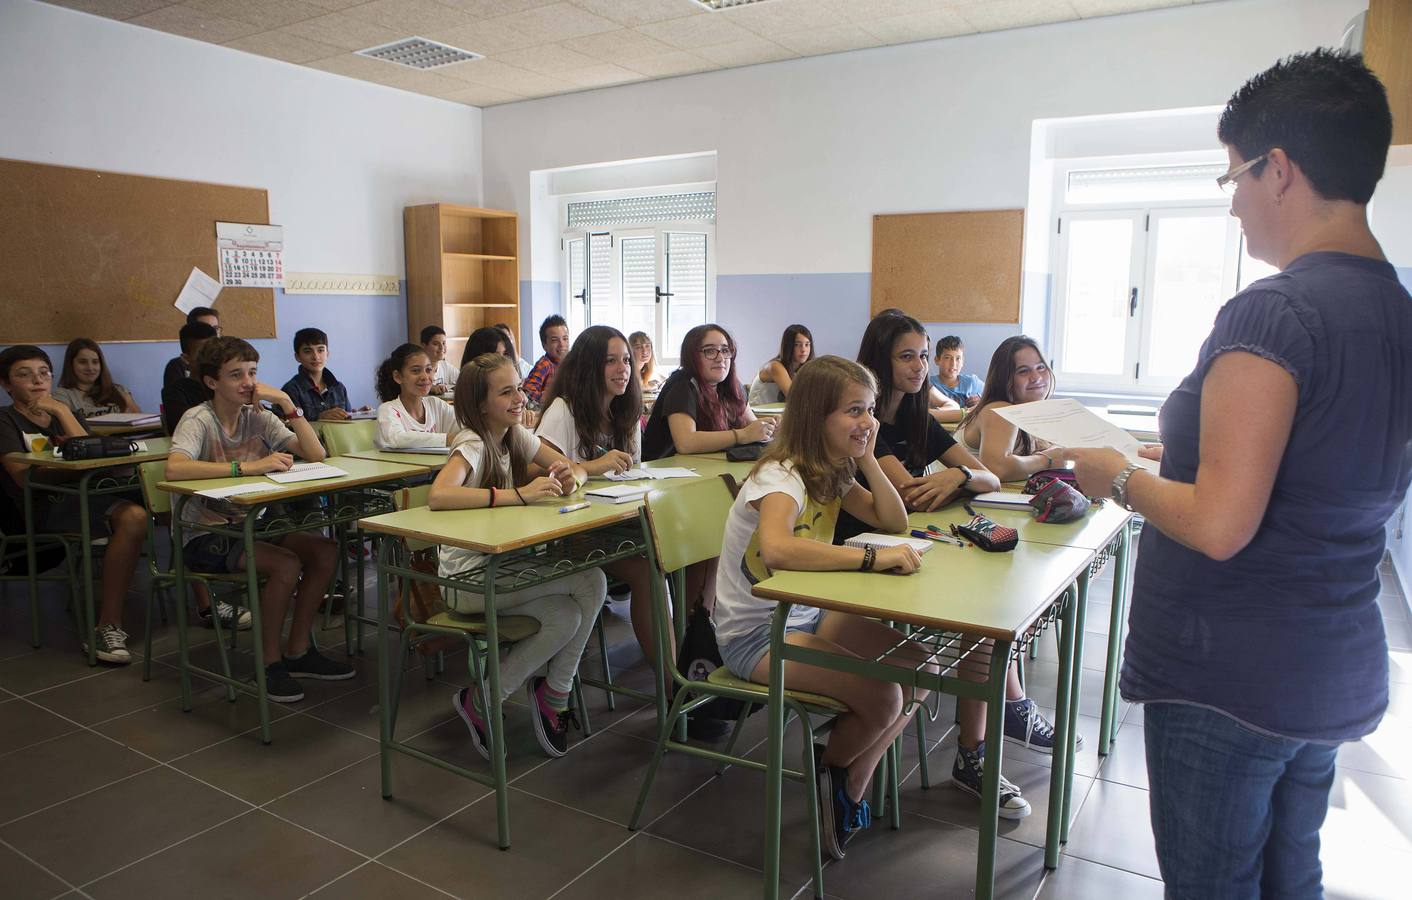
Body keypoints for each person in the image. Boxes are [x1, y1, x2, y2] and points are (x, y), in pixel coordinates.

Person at [1064, 50, 1411, 900]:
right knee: (1292, 878)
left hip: (1232, 676)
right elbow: (1321, 466)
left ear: (1279, 170)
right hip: (1329, 660)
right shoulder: (1397, 308)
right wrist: (1177, 461)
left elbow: (1221, 524)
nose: (1235, 206)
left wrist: (1116, 475)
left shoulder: (1277, 310)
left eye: (1233, 180)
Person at [714, 355, 939, 859]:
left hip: (804, 614)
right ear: (817, 418)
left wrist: (866, 457)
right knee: (885, 701)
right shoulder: (781, 476)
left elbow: (894, 519)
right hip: (753, 638)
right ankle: (838, 779)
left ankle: (845, 773)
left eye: (871, 410)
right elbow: (777, 549)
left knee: (921, 668)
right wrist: (869, 558)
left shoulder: (829, 470)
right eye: (854, 411)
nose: (867, 421)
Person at [848, 313, 1062, 818]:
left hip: (910, 545)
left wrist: (957, 476)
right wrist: (954, 480)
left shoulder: (918, 416)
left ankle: (976, 752)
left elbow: (987, 476)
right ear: (880, 361)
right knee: (981, 616)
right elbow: (909, 496)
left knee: (987, 612)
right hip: (864, 554)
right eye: (908, 356)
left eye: (924, 354)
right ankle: (985, 740)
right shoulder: (865, 421)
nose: (921, 366)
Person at [430, 352, 606, 758]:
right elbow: (439, 494)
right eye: (506, 392)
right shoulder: (473, 443)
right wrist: (518, 495)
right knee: (591, 581)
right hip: (467, 581)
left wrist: (568, 474)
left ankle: (486, 700)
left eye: (520, 388)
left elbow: (571, 467)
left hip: (502, 568)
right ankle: (553, 696)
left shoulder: (515, 436)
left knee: (566, 615)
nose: (519, 398)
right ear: (480, 405)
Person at [164, 337, 350, 701]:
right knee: (285, 564)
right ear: (211, 382)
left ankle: (298, 651)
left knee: (325, 550)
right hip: (201, 532)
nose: (248, 382)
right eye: (236, 375)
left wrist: (286, 403)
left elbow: (316, 453)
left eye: (252, 372)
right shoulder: (198, 418)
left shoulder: (260, 416)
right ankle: (269, 664)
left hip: (248, 523)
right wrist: (247, 466)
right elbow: (175, 468)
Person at [0, 345, 149, 664]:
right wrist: (68, 462)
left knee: (149, 505)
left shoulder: (60, 412)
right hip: (40, 509)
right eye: (24, 375)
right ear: (7, 385)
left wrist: (63, 413)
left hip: (84, 498)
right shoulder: (5, 420)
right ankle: (107, 627)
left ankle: (207, 599)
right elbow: (22, 478)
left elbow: (94, 457)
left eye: (43, 373)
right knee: (132, 516)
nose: (37, 381)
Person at [641, 323, 776, 460]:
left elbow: (752, 426)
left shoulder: (732, 386)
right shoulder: (682, 385)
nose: (720, 358)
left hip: (704, 467)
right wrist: (742, 435)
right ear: (692, 356)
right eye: (710, 351)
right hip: (663, 472)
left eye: (725, 350)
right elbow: (686, 443)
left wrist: (770, 428)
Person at [957, 336, 1065, 482]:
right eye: (1023, 371)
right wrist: (1048, 460)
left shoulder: (1034, 410)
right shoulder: (999, 409)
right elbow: (996, 469)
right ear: (1005, 378)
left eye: (1041, 367)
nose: (1036, 377)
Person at [374, 343, 458, 450]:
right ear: (398, 377)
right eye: (415, 371)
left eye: (428, 370)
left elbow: (465, 426)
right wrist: (447, 439)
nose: (425, 377)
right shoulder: (388, 409)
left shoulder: (436, 404)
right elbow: (396, 438)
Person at [281, 327, 361, 422]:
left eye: (320, 350)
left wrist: (358, 414)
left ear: (327, 353)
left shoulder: (339, 388)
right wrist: (319, 417)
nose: (316, 356)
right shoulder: (291, 390)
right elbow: (288, 429)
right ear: (297, 357)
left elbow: (348, 423)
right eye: (307, 351)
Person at [53, 338, 140, 416]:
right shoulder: (63, 395)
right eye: (83, 362)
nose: (90, 368)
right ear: (71, 365)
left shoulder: (119, 390)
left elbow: (139, 419)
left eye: (95, 362)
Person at [161, 322, 218, 435]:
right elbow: (189, 428)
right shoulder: (175, 392)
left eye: (214, 352)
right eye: (202, 354)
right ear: (186, 358)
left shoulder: (228, 384)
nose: (211, 358)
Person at [748, 323, 814, 404]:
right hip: (759, 414)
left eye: (807, 344)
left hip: (778, 414)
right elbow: (795, 399)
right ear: (788, 346)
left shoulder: (801, 369)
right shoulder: (775, 366)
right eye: (797, 345)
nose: (803, 350)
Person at [164, 307, 220, 387]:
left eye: (216, 328)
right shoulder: (177, 366)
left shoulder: (227, 360)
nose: (212, 333)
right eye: (204, 327)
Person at [522, 315, 569, 407]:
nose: (562, 344)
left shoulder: (570, 364)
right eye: (555, 340)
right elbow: (528, 391)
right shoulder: (545, 364)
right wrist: (549, 397)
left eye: (565, 338)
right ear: (544, 345)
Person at [932, 336, 984, 409]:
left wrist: (981, 400)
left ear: (962, 361)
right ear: (937, 360)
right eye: (947, 358)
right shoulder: (929, 385)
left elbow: (995, 395)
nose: (953, 364)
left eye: (958, 358)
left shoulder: (972, 382)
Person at [420, 326, 457, 395]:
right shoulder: (417, 368)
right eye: (436, 344)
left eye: (443, 343)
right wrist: (430, 388)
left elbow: (464, 381)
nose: (442, 347)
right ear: (424, 346)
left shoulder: (446, 366)